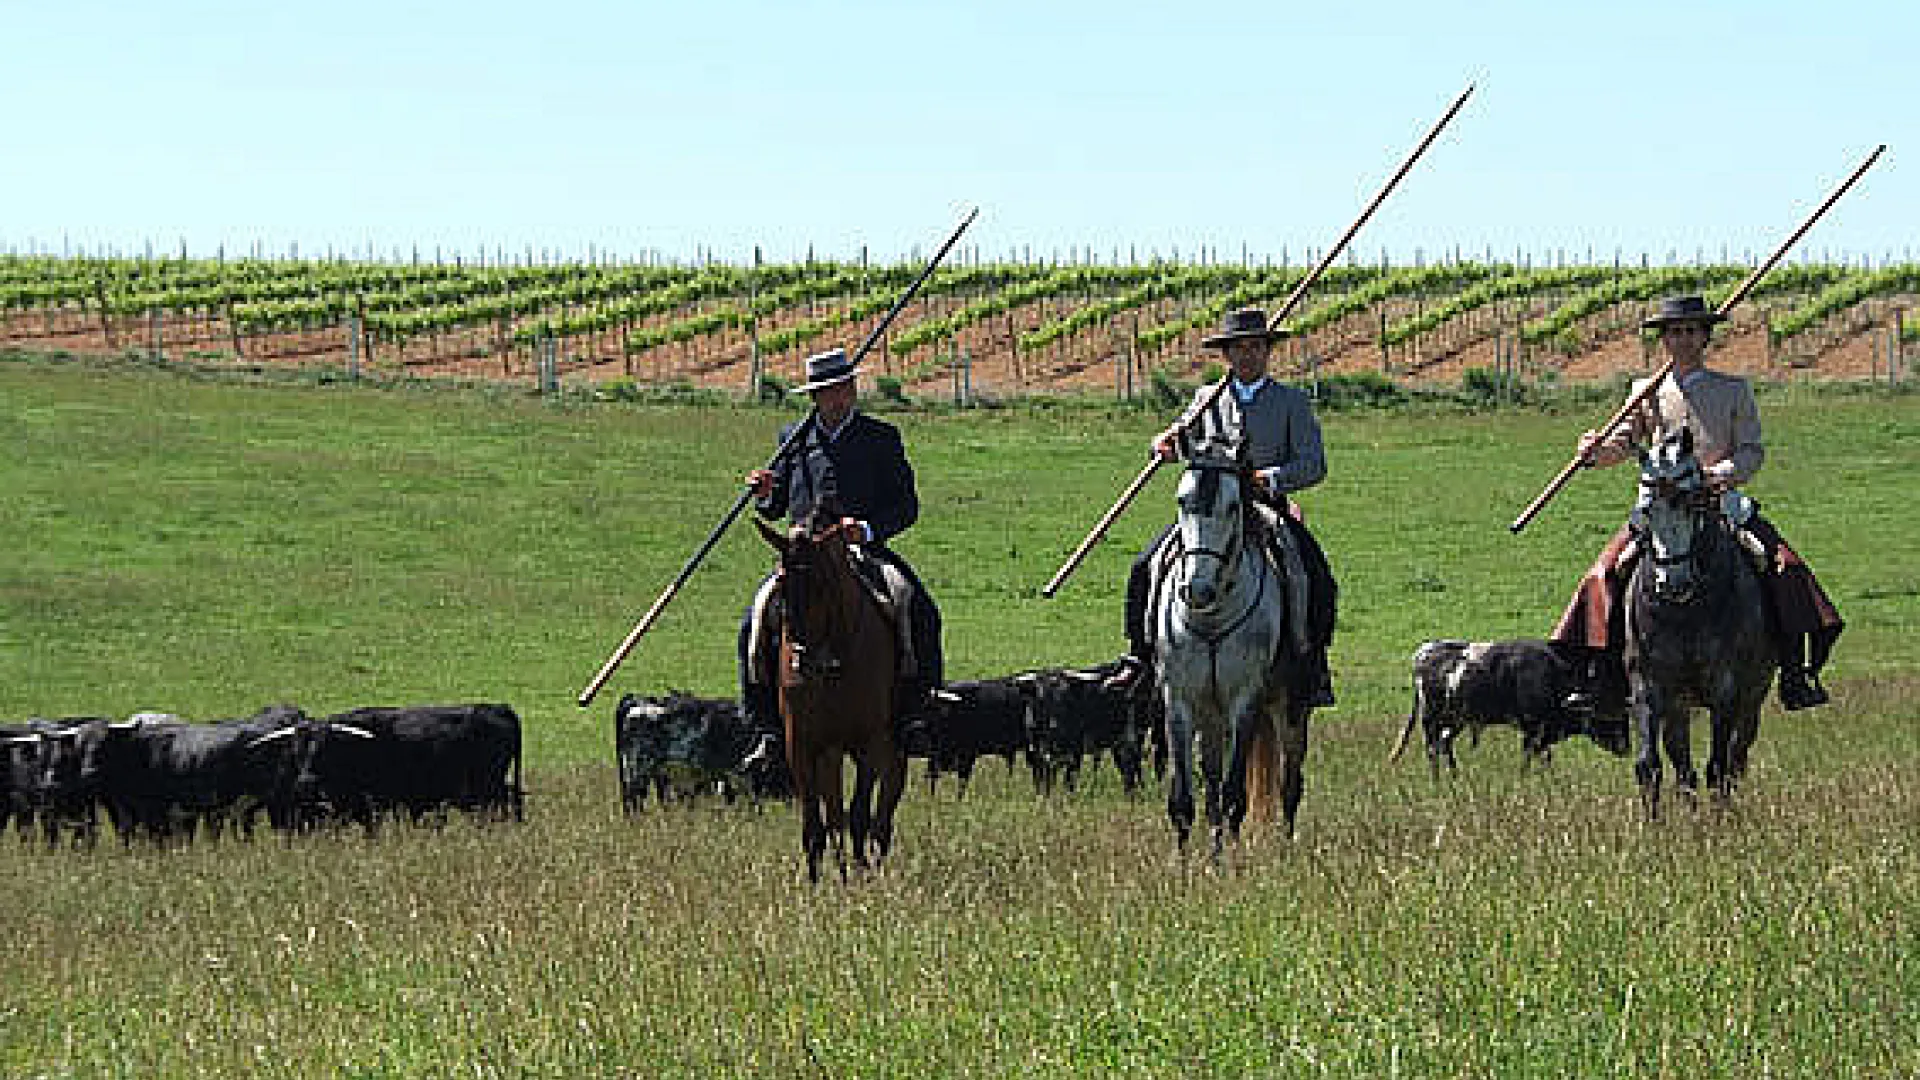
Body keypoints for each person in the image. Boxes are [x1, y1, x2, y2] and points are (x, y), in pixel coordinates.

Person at [1551, 294, 1843, 710]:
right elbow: (1623, 445)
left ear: (1705, 337)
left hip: (1718, 504)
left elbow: (1751, 452)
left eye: (1691, 331)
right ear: (1664, 340)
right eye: (1674, 332)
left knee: (1784, 567)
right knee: (1603, 573)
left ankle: (1795, 672)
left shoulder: (1733, 390)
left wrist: (1718, 474)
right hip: (1660, 510)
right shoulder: (1643, 392)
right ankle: (1598, 679)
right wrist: (1594, 450)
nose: (1683, 339)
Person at [1105, 306, 1338, 707]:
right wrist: (1163, 442)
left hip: (1265, 507)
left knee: (1312, 574)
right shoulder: (1206, 398)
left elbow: (1313, 465)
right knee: (1145, 564)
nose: (1248, 356)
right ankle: (1141, 659)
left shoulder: (1291, 402)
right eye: (1239, 349)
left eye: (1256, 347)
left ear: (1268, 352)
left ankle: (1310, 664)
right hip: (1209, 512)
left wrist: (1269, 478)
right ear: (1226, 355)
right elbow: (1180, 440)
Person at [737, 346, 944, 736]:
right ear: (814, 396)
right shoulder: (792, 439)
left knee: (916, 605)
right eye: (827, 390)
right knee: (754, 619)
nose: (837, 397)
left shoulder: (881, 438)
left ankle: (920, 708)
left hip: (860, 552)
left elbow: (905, 507)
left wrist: (865, 530)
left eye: (843, 387)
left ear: (853, 388)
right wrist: (764, 492)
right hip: (802, 558)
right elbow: (776, 505)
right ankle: (760, 725)